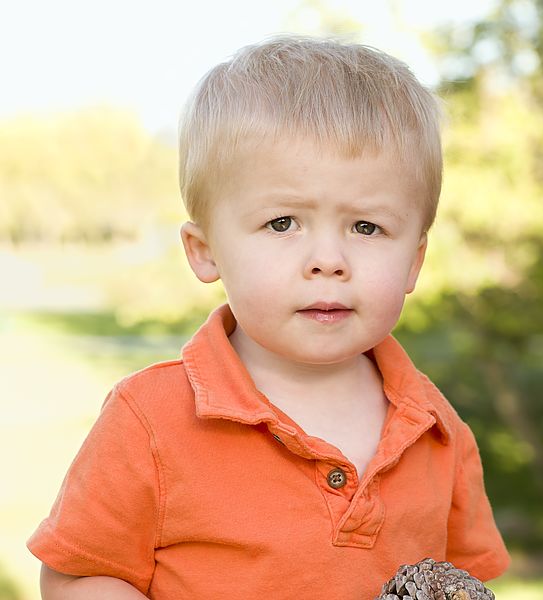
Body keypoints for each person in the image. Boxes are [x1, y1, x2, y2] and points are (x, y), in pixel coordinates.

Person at [27, 35, 510, 599]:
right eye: (283, 223)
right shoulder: (150, 420)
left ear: (415, 260)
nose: (328, 260)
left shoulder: (436, 429)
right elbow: (78, 573)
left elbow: (464, 582)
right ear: (204, 250)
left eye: (367, 227)